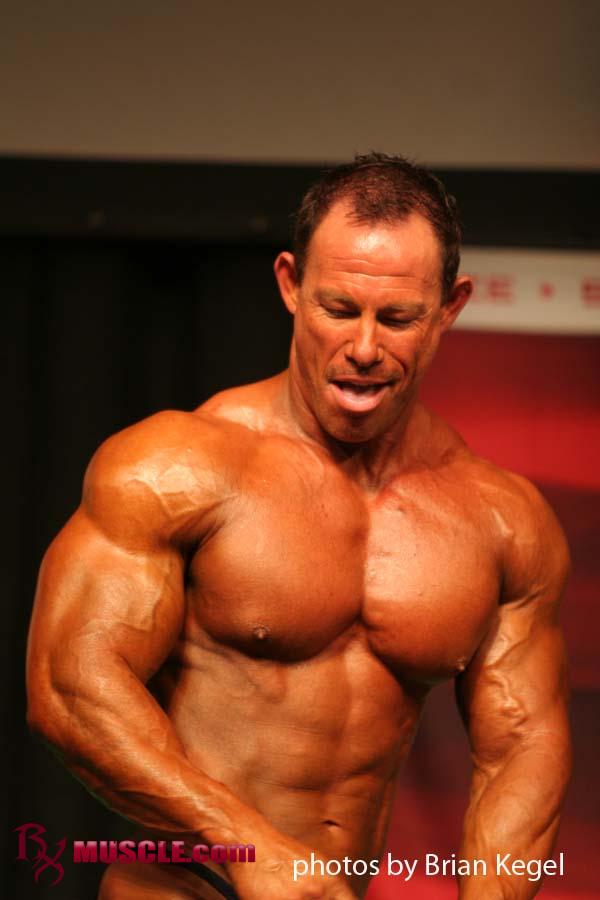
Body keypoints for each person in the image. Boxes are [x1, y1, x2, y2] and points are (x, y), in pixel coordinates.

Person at [27, 153, 571, 900]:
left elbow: (524, 746)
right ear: (290, 284)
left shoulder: (502, 518)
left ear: (450, 307)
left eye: (398, 318)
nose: (365, 348)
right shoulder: (178, 467)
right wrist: (247, 848)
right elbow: (70, 689)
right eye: (339, 309)